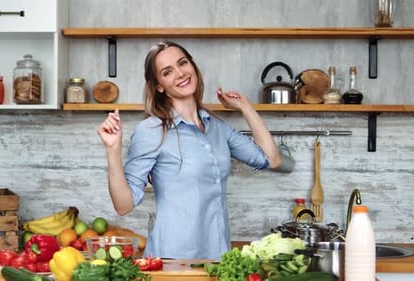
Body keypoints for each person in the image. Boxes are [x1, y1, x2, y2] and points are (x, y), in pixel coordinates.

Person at [97, 41, 281, 259]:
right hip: (171, 262)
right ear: (159, 86)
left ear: (192, 66)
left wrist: (245, 106)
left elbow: (271, 159)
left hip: (217, 258)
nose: (180, 73)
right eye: (167, 72)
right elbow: (123, 205)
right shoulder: (152, 131)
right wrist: (113, 150)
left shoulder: (217, 127)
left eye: (182, 63)